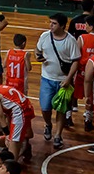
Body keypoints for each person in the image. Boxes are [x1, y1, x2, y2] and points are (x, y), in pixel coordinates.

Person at [34, 13, 80, 149]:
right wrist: (38, 56)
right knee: (45, 107)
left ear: (62, 26)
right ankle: (48, 124)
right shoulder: (44, 36)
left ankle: (58, 135)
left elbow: (76, 61)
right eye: (50, 23)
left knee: (61, 109)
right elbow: (38, 49)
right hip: (47, 78)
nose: (51, 26)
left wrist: (68, 78)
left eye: (54, 23)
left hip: (62, 81)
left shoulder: (70, 41)